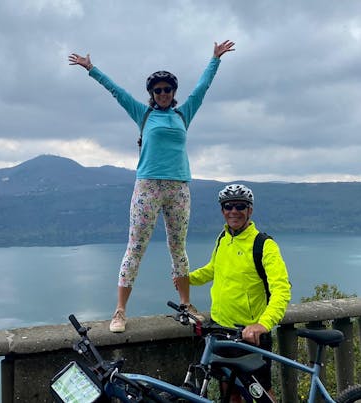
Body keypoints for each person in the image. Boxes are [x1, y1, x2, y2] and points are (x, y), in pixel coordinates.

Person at [69, 40, 235, 333]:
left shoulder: (184, 114)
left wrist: (215, 59)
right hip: (147, 188)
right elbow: (116, 92)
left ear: (173, 93)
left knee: (178, 248)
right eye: (157, 90)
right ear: (151, 94)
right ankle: (120, 311)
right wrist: (91, 69)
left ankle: (185, 304)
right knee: (135, 248)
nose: (162, 94)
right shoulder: (143, 114)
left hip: (179, 188)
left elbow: (202, 88)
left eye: (167, 90)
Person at [190, 184, 291, 402]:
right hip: (220, 330)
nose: (233, 211)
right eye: (228, 206)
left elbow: (282, 290)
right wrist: (186, 279)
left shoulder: (264, 245)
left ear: (250, 210)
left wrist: (263, 325)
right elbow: (213, 269)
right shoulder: (223, 238)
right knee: (230, 391)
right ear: (222, 210)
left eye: (240, 206)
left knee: (261, 394)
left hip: (249, 335)